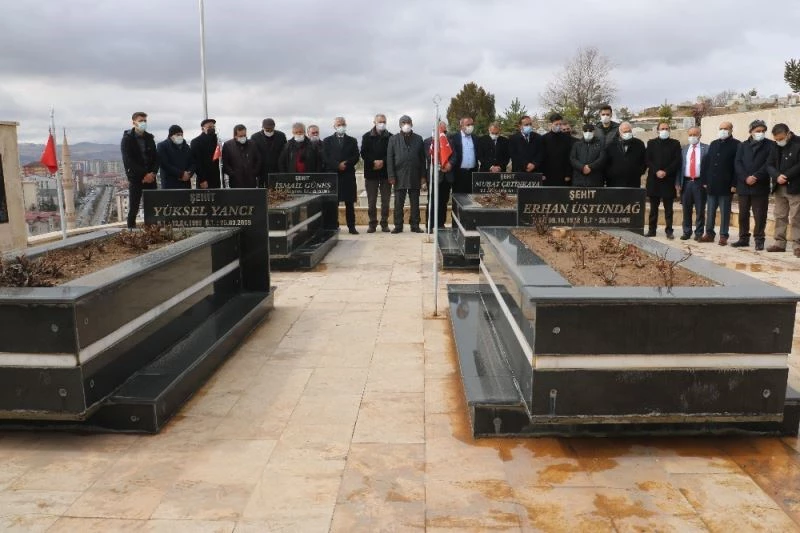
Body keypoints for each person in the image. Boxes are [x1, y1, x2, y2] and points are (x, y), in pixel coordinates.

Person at [732, 120, 773, 250]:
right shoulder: (742, 145)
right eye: (758, 131)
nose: (761, 133)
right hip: (744, 186)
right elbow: (738, 163)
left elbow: (769, 163)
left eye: (763, 131)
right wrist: (745, 177)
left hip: (760, 186)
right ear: (751, 132)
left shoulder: (770, 145)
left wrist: (756, 176)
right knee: (743, 214)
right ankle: (743, 238)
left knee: (760, 215)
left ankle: (759, 239)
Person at [700, 122, 741, 245]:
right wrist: (705, 180)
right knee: (710, 211)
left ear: (731, 130)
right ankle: (709, 234)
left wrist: (734, 184)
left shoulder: (737, 144)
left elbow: (737, 166)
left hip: (726, 185)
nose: (723, 130)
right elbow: (707, 163)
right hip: (712, 184)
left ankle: (723, 235)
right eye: (721, 128)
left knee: (725, 212)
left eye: (725, 128)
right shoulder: (713, 144)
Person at [387, 115, 426, 233]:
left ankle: (415, 225)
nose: (406, 125)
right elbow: (389, 158)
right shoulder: (393, 139)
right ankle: (398, 226)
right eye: (403, 123)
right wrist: (391, 176)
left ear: (412, 124)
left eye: (408, 122)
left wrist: (423, 176)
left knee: (415, 202)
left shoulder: (418, 139)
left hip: (415, 175)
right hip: (399, 176)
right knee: (398, 203)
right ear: (400, 125)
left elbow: (422, 159)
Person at [120, 111, 158, 229]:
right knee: (134, 207)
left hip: (151, 179)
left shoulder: (149, 138)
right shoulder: (127, 139)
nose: (143, 123)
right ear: (134, 123)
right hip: (136, 179)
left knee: (152, 207)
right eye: (141, 121)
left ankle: (152, 231)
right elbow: (128, 161)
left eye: (145, 121)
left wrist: (153, 173)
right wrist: (144, 174)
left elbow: (156, 158)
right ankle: (131, 232)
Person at [323, 116, 360, 234]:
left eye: (343, 124)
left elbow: (356, 156)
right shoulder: (327, 141)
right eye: (339, 124)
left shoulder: (352, 140)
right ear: (334, 126)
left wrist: (346, 164)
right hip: (333, 175)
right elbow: (325, 157)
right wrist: (337, 165)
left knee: (349, 203)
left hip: (348, 175)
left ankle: (351, 227)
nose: (341, 126)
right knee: (334, 203)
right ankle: (334, 225)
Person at [766, 123, 800, 255]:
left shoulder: (798, 143)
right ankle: (779, 243)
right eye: (776, 139)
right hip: (779, 186)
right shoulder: (775, 146)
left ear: (788, 134)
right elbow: (769, 164)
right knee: (780, 215)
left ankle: (798, 245)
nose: (779, 141)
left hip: (795, 186)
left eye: (781, 139)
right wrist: (777, 176)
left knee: (796, 216)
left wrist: (786, 175)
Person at [645, 122, 681, 238]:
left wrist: (666, 171)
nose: (664, 130)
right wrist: (657, 171)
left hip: (668, 180)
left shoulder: (675, 143)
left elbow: (677, 161)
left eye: (666, 128)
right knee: (653, 208)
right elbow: (647, 159)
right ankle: (652, 230)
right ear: (657, 130)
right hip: (654, 180)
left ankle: (669, 231)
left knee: (669, 208)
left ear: (669, 130)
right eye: (662, 128)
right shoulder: (651, 143)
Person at [360, 114, 392, 232]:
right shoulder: (366, 136)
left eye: (384, 121)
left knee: (386, 201)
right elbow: (364, 153)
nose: (382, 123)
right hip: (371, 173)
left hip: (385, 173)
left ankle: (384, 223)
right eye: (380, 121)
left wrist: (383, 161)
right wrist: (374, 161)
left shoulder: (391, 137)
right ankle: (372, 224)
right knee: (371, 201)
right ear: (374, 122)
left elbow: (391, 153)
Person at [676, 127, 709, 241]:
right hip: (686, 182)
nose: (692, 137)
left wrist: (707, 182)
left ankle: (699, 233)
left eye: (695, 134)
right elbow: (679, 168)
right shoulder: (684, 149)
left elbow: (709, 167)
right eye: (690, 135)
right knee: (686, 209)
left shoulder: (707, 148)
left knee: (700, 210)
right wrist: (678, 183)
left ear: (700, 135)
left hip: (700, 183)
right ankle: (686, 232)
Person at [604, 121, 646, 188]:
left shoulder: (639, 144)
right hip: (614, 182)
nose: (627, 133)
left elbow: (644, 160)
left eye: (629, 131)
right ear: (620, 132)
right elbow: (606, 162)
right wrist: (610, 173)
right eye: (625, 132)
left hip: (633, 181)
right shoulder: (611, 145)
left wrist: (639, 172)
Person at [250, 118, 287, 188]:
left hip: (277, 170)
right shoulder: (255, 137)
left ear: (274, 127)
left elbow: (284, 152)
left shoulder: (281, 136)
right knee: (262, 191)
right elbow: (253, 155)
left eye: (271, 129)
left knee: (276, 191)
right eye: (267, 129)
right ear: (262, 127)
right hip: (261, 171)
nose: (269, 131)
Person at [447, 116, 479, 193]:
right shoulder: (453, 138)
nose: (470, 127)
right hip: (459, 173)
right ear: (461, 126)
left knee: (472, 197)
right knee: (458, 197)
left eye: (472, 124)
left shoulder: (476, 138)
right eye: (468, 125)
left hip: (472, 173)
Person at [157, 125, 195, 189]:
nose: (180, 136)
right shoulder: (162, 146)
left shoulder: (186, 147)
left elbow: (192, 163)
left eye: (181, 135)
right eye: (178, 135)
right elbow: (164, 164)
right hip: (170, 184)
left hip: (185, 183)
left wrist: (189, 173)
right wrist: (181, 174)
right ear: (171, 136)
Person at [541, 113, 573, 186]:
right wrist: (542, 173)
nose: (558, 126)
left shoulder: (567, 138)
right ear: (551, 124)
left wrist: (568, 174)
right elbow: (542, 157)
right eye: (556, 124)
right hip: (548, 174)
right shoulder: (544, 138)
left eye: (560, 124)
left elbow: (569, 156)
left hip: (563, 174)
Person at [190, 118, 221, 189]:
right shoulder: (196, 142)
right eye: (209, 127)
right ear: (203, 129)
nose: (212, 129)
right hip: (204, 180)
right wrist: (202, 179)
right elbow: (197, 162)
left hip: (217, 178)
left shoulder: (217, 141)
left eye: (213, 127)